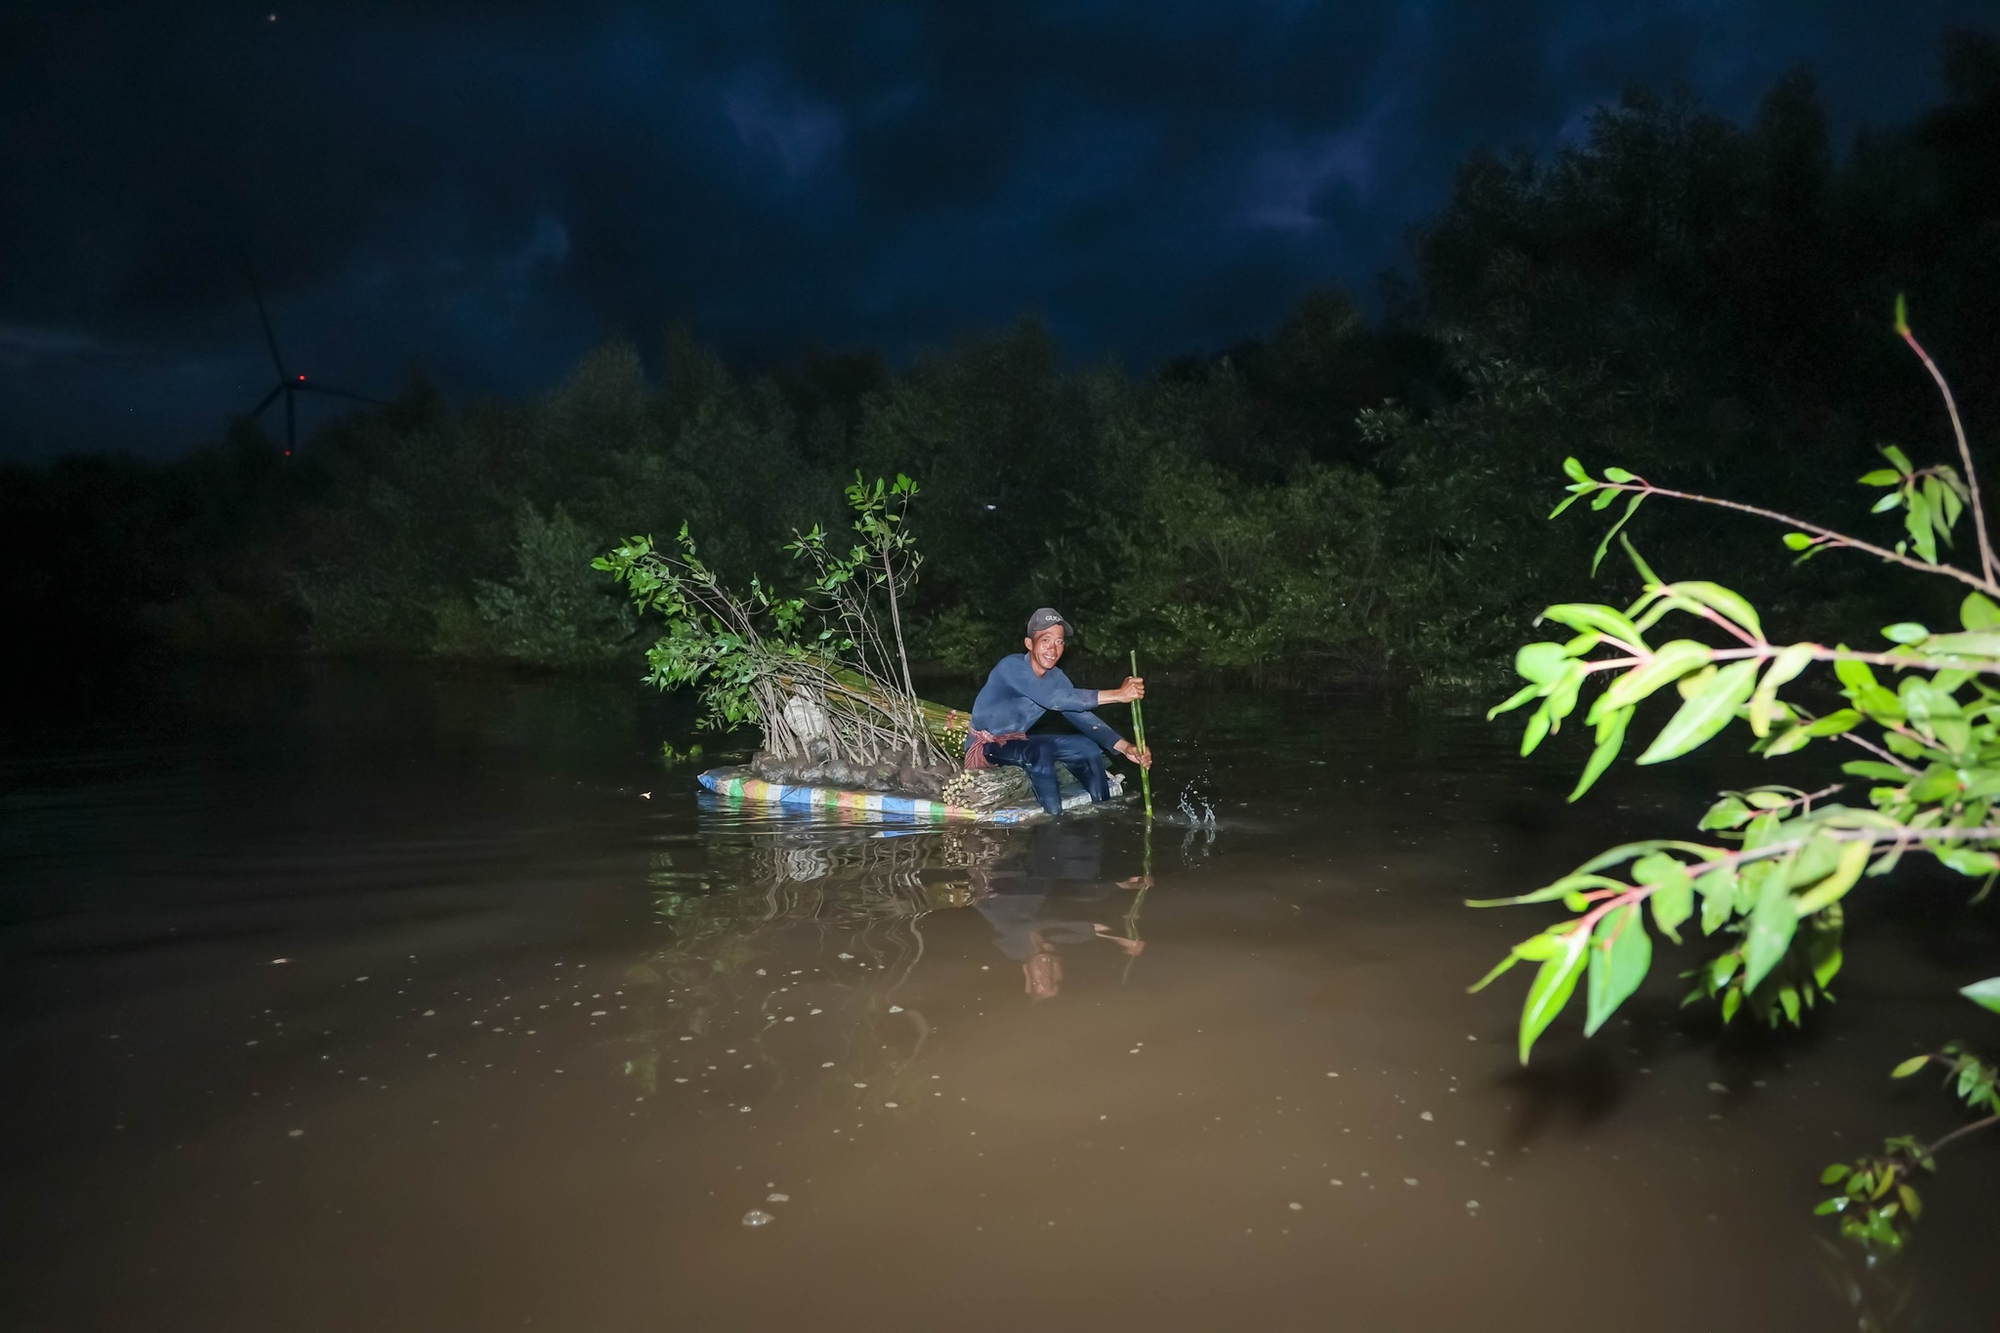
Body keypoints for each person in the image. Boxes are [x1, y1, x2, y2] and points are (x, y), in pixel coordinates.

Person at [964, 607, 1152, 817]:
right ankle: (1054, 819)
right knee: (1040, 749)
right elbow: (1054, 700)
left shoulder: (1057, 678)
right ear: (1029, 643)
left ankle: (1104, 811)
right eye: (1046, 640)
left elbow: (1081, 716)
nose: (1053, 648)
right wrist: (1118, 694)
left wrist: (1126, 747)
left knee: (1087, 747)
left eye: (1059, 641)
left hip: (1018, 742)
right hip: (988, 746)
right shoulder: (1011, 667)